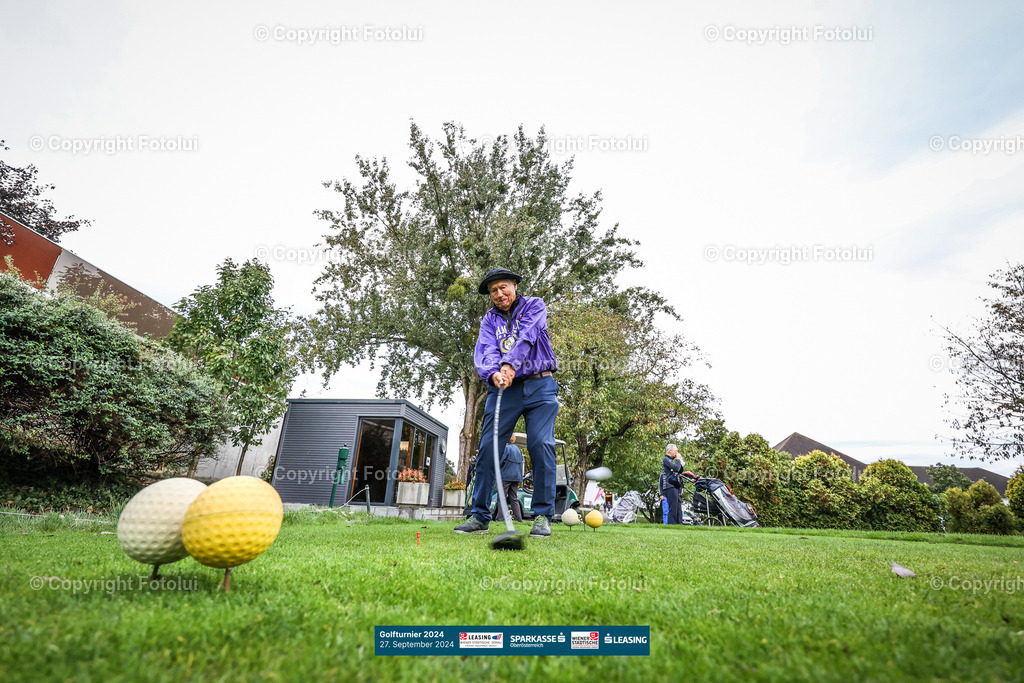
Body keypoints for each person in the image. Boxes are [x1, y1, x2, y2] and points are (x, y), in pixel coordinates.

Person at [455, 268, 559, 538]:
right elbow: (486, 349)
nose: (499, 294)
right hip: (505, 389)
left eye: (503, 287)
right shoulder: (489, 320)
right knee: (489, 446)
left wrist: (510, 364)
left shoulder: (534, 305)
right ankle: (479, 516)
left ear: (514, 285)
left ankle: (542, 516)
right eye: (493, 291)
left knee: (540, 443)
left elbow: (528, 335)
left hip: (540, 386)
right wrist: (493, 372)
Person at [494, 434, 524, 522]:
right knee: (514, 498)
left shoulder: (506, 448)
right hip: (516, 477)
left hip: (506, 476)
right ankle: (519, 519)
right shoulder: (518, 450)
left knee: (502, 497)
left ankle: (501, 517)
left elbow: (500, 461)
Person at [660, 443, 685, 525]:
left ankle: (679, 524)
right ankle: (672, 524)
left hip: (675, 486)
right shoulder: (666, 459)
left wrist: (680, 461)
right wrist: (677, 460)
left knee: (678, 506)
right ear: (670, 451)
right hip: (669, 486)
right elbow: (676, 468)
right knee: (673, 507)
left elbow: (680, 470)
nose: (677, 452)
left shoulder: (672, 460)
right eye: (676, 451)